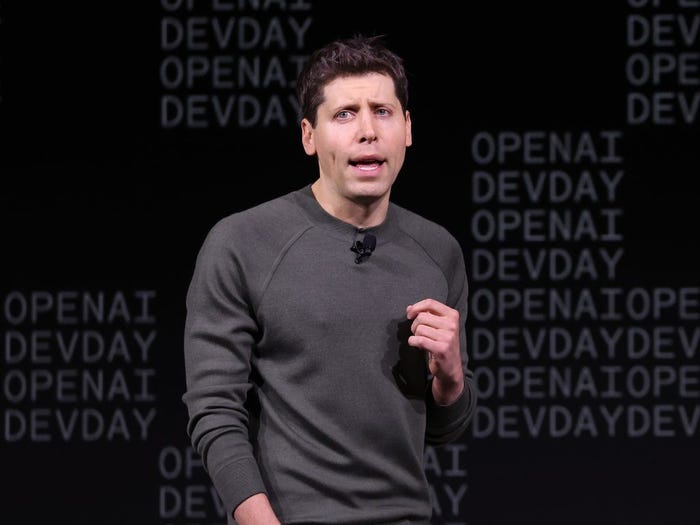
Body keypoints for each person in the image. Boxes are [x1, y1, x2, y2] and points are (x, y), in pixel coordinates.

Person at [182, 34, 477, 525]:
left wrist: (451, 379)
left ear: (407, 129)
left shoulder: (438, 251)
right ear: (308, 136)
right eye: (344, 114)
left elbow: (444, 428)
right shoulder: (243, 242)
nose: (367, 131)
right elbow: (214, 409)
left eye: (382, 111)